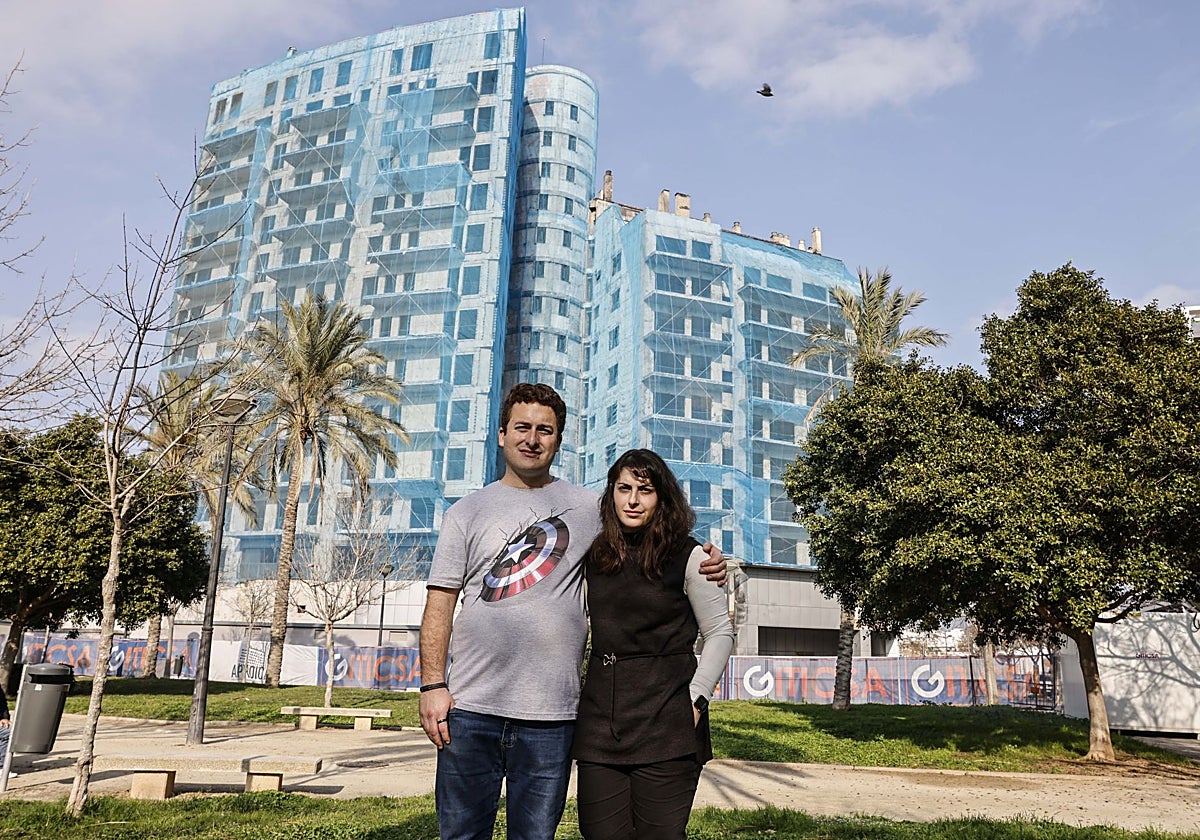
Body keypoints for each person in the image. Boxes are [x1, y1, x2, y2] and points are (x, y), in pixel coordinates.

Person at [419, 383, 725, 840]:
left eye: (545, 430)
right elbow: (440, 602)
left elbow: (654, 528)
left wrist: (713, 559)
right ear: (501, 434)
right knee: (461, 834)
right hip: (470, 709)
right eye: (522, 427)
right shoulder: (466, 511)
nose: (532, 439)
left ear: (558, 442)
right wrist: (432, 684)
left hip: (553, 717)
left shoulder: (590, 508)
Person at [573, 449, 735, 840]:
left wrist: (696, 701)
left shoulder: (691, 557)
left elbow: (720, 634)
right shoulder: (594, 555)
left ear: (661, 497)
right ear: (610, 493)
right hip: (600, 722)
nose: (632, 499)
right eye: (623, 488)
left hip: (669, 720)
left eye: (644, 490)